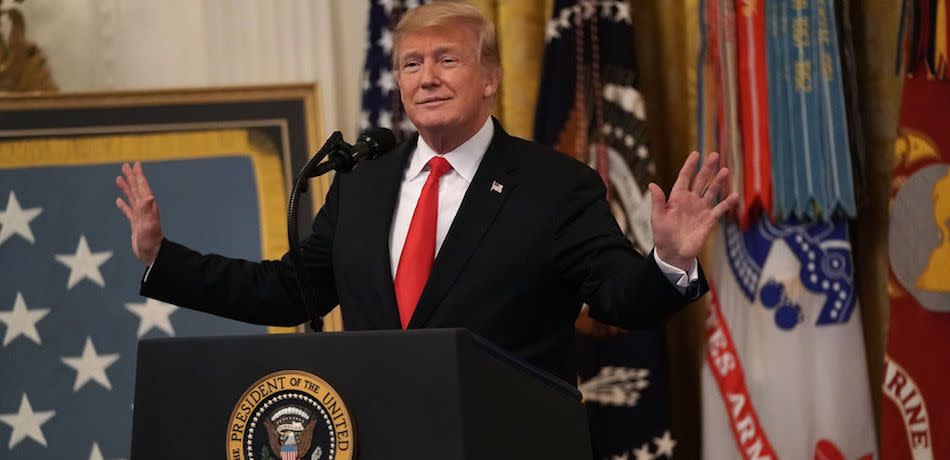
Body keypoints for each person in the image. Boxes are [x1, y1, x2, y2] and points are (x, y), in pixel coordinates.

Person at [115, 2, 737, 384]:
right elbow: (287, 292)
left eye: (448, 60)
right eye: (412, 64)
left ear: (491, 78)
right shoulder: (361, 183)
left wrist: (671, 261)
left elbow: (616, 299)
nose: (428, 77)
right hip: (379, 435)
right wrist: (162, 258)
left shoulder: (555, 185)